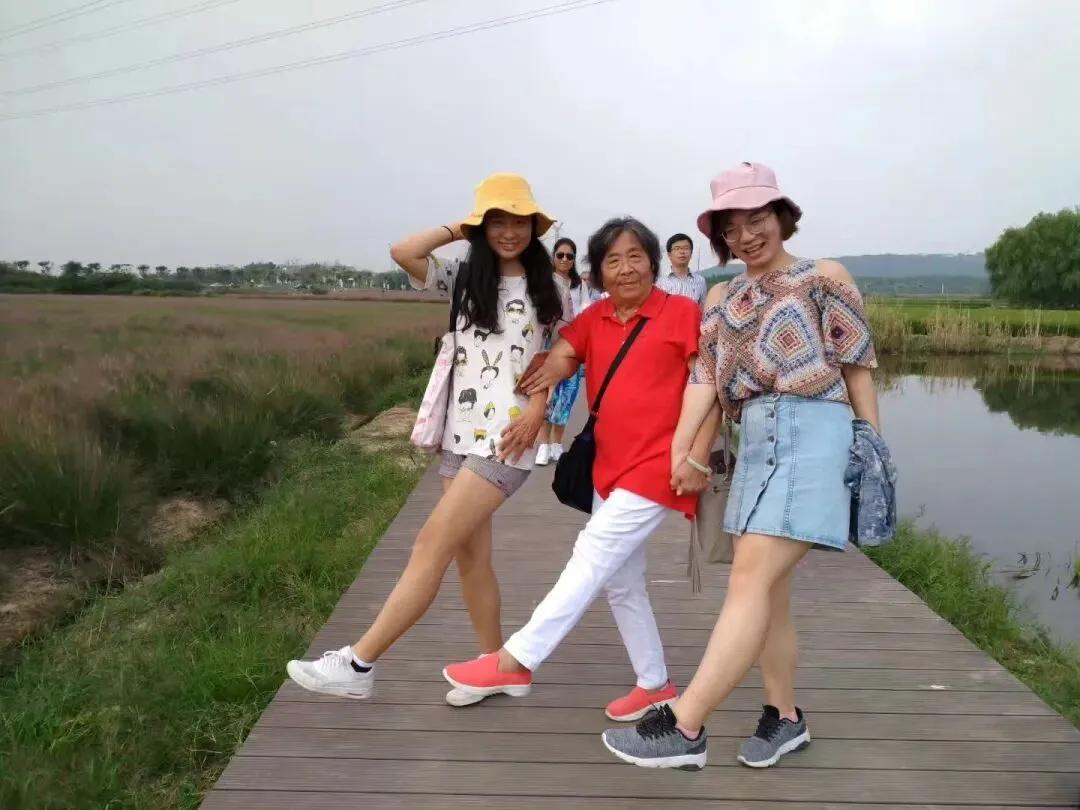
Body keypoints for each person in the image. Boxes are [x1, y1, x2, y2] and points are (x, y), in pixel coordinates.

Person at [601, 161, 881, 771]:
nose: (747, 236)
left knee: (750, 577)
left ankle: (685, 724)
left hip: (816, 430)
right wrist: (683, 450)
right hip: (753, 439)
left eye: (758, 220)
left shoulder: (825, 275)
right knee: (770, 592)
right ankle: (785, 717)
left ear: (782, 216)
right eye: (733, 227)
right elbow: (704, 379)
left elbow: (857, 366)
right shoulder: (722, 296)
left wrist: (872, 451)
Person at [284, 173, 570, 701]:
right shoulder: (462, 275)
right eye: (497, 221)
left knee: (430, 544)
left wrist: (537, 410)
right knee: (470, 559)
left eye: (519, 221)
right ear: (481, 226)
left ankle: (359, 663)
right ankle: (495, 666)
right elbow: (403, 251)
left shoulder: (551, 285)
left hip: (508, 439)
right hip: (459, 436)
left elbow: (558, 357)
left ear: (535, 226)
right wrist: (461, 229)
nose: (510, 231)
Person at [442, 216, 722, 722]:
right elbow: (560, 357)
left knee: (592, 553)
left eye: (635, 257)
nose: (626, 268)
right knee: (621, 580)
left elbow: (710, 389)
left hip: (661, 464)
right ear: (597, 273)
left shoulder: (682, 312)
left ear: (654, 264)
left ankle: (516, 660)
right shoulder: (595, 318)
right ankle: (655, 685)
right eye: (613, 260)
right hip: (609, 465)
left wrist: (698, 456)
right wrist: (540, 394)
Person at [535, 236, 593, 465]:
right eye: (560, 255)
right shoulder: (545, 282)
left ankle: (556, 443)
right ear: (553, 257)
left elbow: (586, 311)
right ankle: (543, 444)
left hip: (572, 344)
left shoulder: (580, 286)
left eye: (570, 256)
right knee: (546, 394)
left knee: (567, 394)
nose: (565, 259)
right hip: (547, 343)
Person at [657, 232, 707, 308]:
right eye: (677, 248)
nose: (682, 252)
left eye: (686, 248)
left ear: (691, 253)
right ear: (669, 255)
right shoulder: (660, 282)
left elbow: (703, 309)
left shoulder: (700, 281)